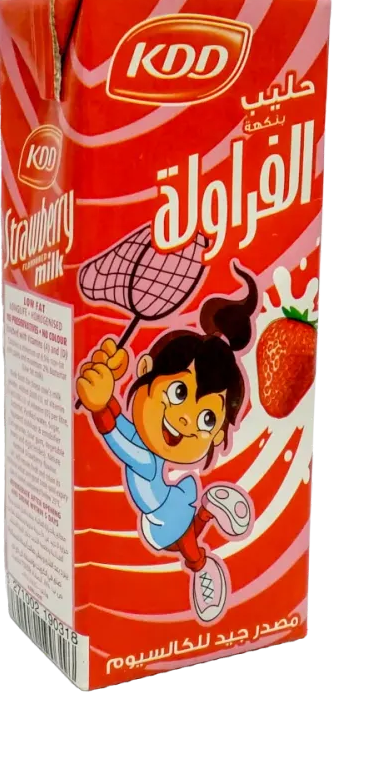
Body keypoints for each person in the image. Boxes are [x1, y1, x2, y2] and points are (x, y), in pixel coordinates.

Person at [76, 265, 258, 623]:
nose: (187, 419)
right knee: (184, 537)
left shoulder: (144, 461)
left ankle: (202, 566)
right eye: (178, 393)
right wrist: (107, 395)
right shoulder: (145, 450)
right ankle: (210, 510)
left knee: (186, 544)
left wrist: (99, 407)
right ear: (145, 369)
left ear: (217, 434)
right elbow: (125, 427)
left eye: (208, 419)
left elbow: (118, 439)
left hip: (162, 509)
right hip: (163, 505)